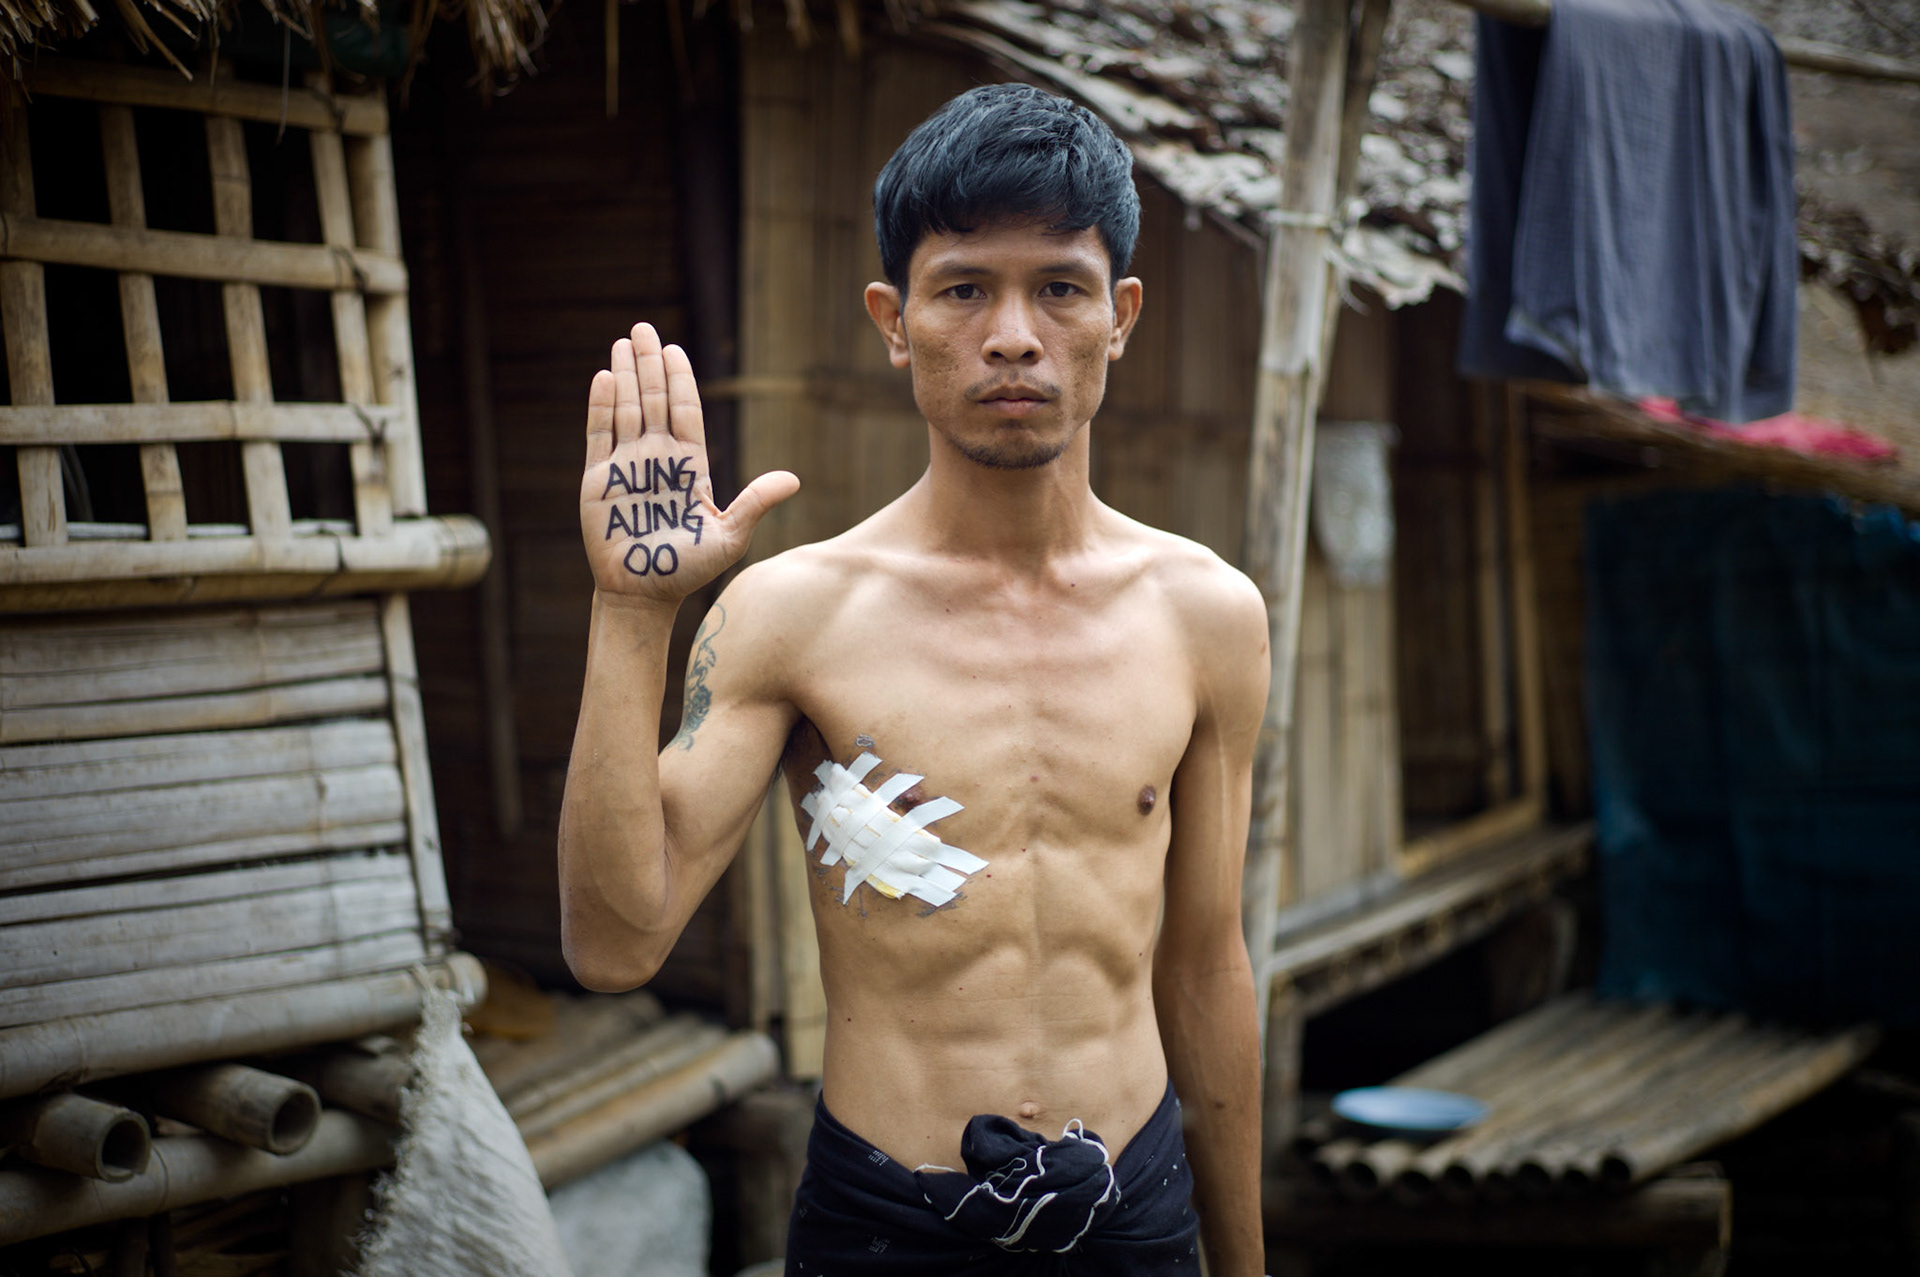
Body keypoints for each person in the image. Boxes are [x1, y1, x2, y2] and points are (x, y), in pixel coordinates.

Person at [559, 83, 1268, 1276]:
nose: (1012, 334)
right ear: (896, 319)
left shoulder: (1204, 615)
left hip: (1132, 1209)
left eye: (1058, 286)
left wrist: (1242, 1262)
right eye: (962, 289)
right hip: (887, 1222)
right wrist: (634, 611)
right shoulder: (798, 617)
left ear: (1120, 312)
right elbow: (615, 943)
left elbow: (1204, 962)